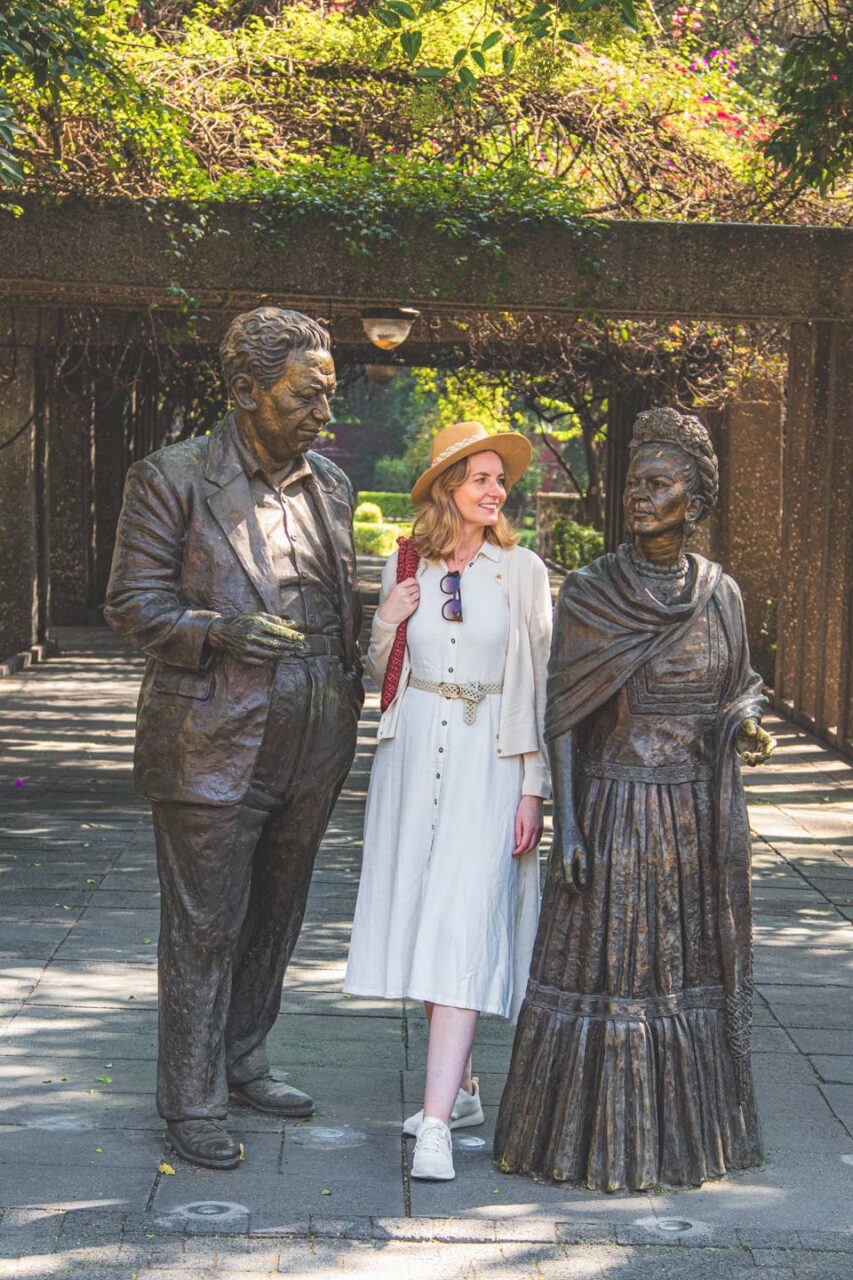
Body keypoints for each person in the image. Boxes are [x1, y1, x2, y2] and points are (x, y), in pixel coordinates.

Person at [104, 306, 363, 1170]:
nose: (324, 414)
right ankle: (191, 1097)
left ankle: (245, 1057)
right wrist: (217, 630)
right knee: (205, 926)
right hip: (213, 730)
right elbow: (133, 606)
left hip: (315, 727)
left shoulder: (331, 486)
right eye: (306, 397)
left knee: (279, 912)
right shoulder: (171, 477)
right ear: (247, 390)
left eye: (328, 395)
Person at [495, 407, 775, 1192]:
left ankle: (686, 1138)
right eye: (632, 484)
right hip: (618, 807)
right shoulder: (591, 590)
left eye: (657, 485)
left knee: (684, 972)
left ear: (694, 499)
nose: (638, 498)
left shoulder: (720, 594)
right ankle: (590, 1139)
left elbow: (740, 687)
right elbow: (563, 714)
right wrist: (568, 826)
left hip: (693, 816)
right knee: (611, 975)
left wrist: (746, 725)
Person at [344, 420, 552, 1181]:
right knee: (428, 915)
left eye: (501, 480)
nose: (495, 491)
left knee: (463, 920)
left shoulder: (522, 570)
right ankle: (460, 1089)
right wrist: (383, 620)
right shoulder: (409, 567)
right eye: (480, 479)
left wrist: (534, 786)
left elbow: (537, 680)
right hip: (411, 756)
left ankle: (434, 1126)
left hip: (488, 761)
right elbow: (382, 674)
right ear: (445, 490)